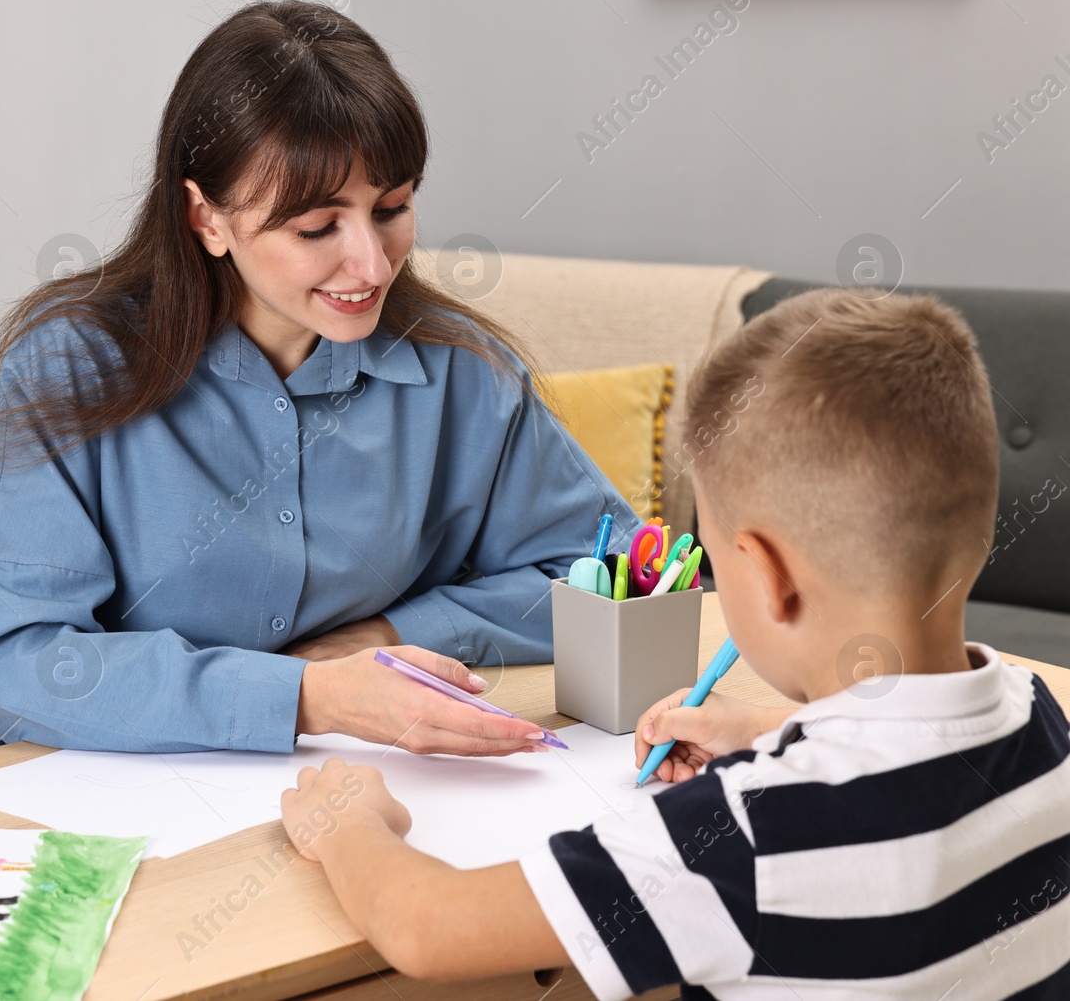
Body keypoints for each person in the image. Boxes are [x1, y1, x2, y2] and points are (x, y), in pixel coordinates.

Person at [278, 289, 1070, 997]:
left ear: (763, 576)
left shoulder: (737, 837)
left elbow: (430, 927)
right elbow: (911, 765)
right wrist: (774, 735)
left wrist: (349, 826)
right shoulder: (1041, 726)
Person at [0, 0, 638, 760]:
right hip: (61, 791)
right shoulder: (70, 363)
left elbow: (619, 572)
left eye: (393, 207)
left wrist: (395, 634)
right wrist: (304, 696)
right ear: (206, 217)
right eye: (316, 228)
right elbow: (18, 658)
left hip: (337, 793)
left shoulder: (461, 372)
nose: (372, 264)